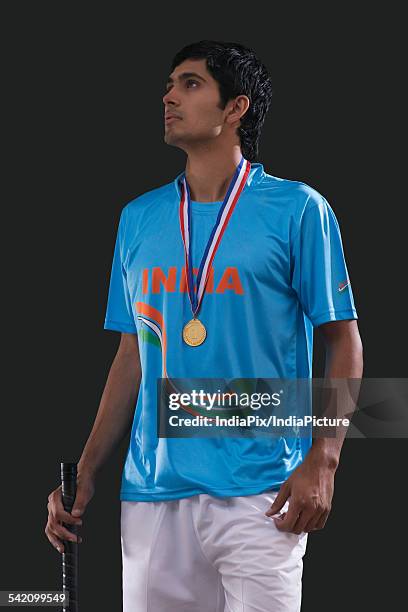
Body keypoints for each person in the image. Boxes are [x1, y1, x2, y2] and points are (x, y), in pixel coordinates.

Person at [45, 40, 364, 611]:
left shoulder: (298, 210)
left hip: (263, 492)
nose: (169, 96)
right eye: (169, 85)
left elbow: (341, 338)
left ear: (234, 108)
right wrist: (88, 467)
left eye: (190, 84)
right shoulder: (138, 218)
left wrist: (325, 457)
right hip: (151, 494)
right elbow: (132, 354)